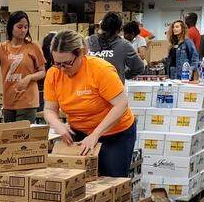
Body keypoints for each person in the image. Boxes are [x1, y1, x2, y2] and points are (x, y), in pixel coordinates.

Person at [42, 30, 137, 178]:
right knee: (78, 179)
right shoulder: (53, 74)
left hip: (114, 133)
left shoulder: (100, 70)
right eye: (57, 63)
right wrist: (58, 125)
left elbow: (121, 105)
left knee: (111, 179)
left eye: (67, 63)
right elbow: (49, 109)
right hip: (80, 132)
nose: (62, 69)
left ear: (81, 53)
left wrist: (95, 135)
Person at [0, 10, 46, 123]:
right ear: (11, 27)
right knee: (9, 137)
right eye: (19, 27)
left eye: (26, 27)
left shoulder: (33, 47)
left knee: (22, 135)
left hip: (27, 100)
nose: (23, 30)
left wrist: (28, 78)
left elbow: (42, 71)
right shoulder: (1, 47)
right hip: (9, 100)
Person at [87, 11, 146, 81]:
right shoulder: (124, 45)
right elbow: (139, 68)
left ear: (102, 26)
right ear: (120, 30)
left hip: (90, 88)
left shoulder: (89, 41)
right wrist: (122, 75)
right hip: (114, 88)